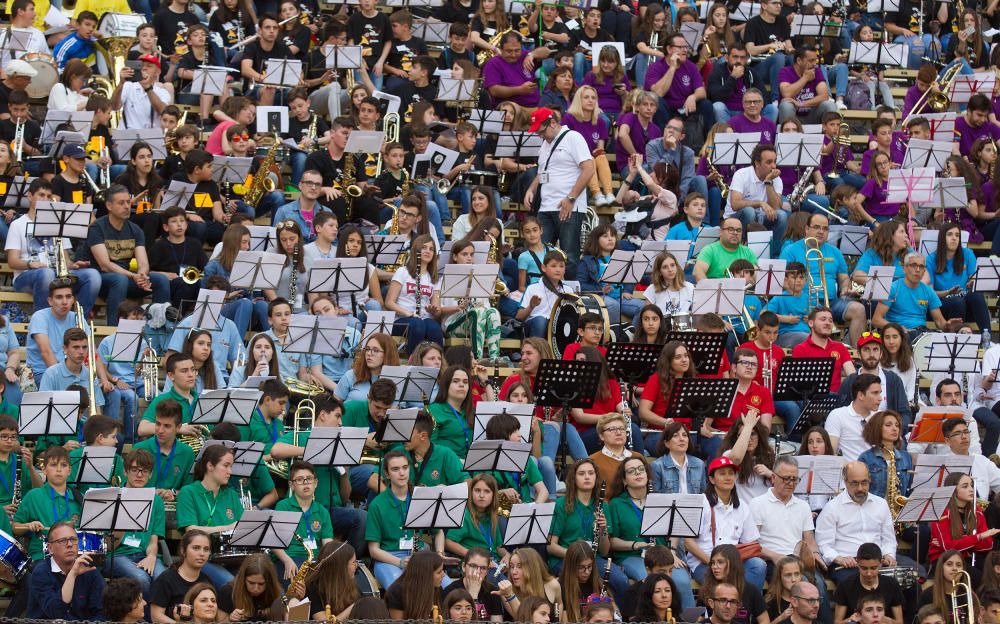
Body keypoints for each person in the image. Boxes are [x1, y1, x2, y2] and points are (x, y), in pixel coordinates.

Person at [5, 178, 101, 315]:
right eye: (41, 195)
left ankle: (79, 323)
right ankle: (43, 324)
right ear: (30, 196)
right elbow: (12, 261)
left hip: (55, 275)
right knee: (46, 274)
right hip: (27, 276)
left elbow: (66, 261)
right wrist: (31, 264)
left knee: (93, 275)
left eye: (49, 196)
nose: (45, 199)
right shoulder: (18, 224)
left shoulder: (59, 222)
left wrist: (73, 266)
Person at [77, 184, 170, 322]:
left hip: (127, 279)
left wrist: (142, 275)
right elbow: (105, 265)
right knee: (118, 280)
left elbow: (143, 262)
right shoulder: (97, 228)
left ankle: (158, 327)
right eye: (121, 203)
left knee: (160, 280)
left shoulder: (135, 229)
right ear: (109, 206)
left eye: (128, 202)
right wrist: (132, 276)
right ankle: (114, 330)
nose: (127, 206)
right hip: (102, 280)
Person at [523, 107, 594, 270]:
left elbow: (589, 168)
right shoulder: (545, 144)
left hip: (568, 206)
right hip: (546, 206)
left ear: (553, 123)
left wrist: (571, 198)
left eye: (541, 132)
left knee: (568, 256)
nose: (540, 136)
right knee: (539, 255)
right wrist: (531, 189)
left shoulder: (573, 138)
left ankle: (567, 293)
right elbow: (543, 172)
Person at [816, 463, 899, 584]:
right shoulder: (832, 507)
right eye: (854, 483)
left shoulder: (881, 504)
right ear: (845, 482)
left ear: (870, 480)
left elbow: (889, 540)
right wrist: (839, 559)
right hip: (847, 565)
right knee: (855, 585)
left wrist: (889, 555)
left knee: (909, 585)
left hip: (877, 563)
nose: (860, 488)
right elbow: (824, 544)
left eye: (864, 482)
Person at [174, 444, 242, 589]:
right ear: (210, 466)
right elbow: (191, 530)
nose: (230, 471)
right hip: (203, 558)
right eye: (226, 465)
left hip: (232, 557)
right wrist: (228, 528)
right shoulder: (189, 492)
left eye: (231, 466)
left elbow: (242, 528)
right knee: (232, 586)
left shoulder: (231, 494)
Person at [110, 448, 168, 596]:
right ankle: (145, 618)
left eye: (145, 471)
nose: (140, 475)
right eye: (134, 469)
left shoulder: (156, 501)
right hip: (118, 555)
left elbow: (153, 540)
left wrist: (151, 557)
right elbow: (111, 546)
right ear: (125, 471)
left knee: (164, 578)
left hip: (144, 553)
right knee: (141, 579)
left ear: (150, 474)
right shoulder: (112, 497)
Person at [25, 521, 106, 620]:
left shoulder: (89, 570)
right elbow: (55, 612)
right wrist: (72, 575)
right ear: (50, 548)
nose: (69, 544)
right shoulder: (41, 572)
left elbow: (101, 611)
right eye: (62, 541)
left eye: (73, 539)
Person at [273, 461, 334, 580]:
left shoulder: (322, 511)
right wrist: (287, 560)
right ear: (291, 485)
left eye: (309, 479)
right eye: (300, 480)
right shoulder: (283, 507)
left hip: (315, 561)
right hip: (290, 558)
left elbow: (328, 545)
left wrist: (325, 564)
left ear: (315, 483)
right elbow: (274, 542)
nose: (305, 483)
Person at [872, 252, 955, 336]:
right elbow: (876, 320)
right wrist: (897, 327)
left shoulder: (928, 291)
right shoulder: (892, 288)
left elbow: (939, 322)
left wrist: (947, 325)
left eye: (921, 266)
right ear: (904, 268)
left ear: (924, 271)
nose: (918, 270)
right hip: (898, 334)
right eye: (914, 265)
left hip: (921, 333)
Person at [837, 333, 912, 425]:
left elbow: (905, 413)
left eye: (875, 349)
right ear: (859, 354)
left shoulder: (893, 380)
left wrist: (896, 429)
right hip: (856, 434)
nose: (871, 354)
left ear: (881, 354)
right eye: (866, 349)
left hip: (887, 435)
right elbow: (841, 413)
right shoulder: (849, 382)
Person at [726, 144, 788, 255]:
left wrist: (769, 182)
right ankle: (744, 251)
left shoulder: (776, 179)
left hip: (762, 217)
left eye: (775, 161)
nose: (774, 166)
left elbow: (776, 207)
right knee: (750, 212)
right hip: (736, 217)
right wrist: (759, 203)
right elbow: (734, 204)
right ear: (757, 163)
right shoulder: (741, 174)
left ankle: (772, 254)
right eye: (769, 162)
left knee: (782, 216)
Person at [928, 472, 997, 569]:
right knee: (977, 578)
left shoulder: (976, 510)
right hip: (944, 560)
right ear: (953, 490)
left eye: (971, 486)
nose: (971, 490)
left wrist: (962, 542)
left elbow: (988, 544)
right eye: (965, 487)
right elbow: (949, 548)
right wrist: (979, 537)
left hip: (967, 558)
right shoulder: (942, 512)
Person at [830, 543, 905, 624]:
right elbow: (837, 622)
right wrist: (850, 620)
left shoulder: (891, 584)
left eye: (873, 568)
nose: (869, 573)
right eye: (864, 568)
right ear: (857, 563)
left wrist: (886, 620)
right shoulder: (846, 585)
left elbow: (900, 622)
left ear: (881, 563)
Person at [939, 418, 1000, 502]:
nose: (964, 437)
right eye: (957, 433)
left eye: (966, 432)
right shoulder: (941, 465)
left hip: (982, 512)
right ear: (947, 441)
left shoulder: (981, 460)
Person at [441, 548, 507, 621]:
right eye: (473, 566)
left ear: (487, 571)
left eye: (483, 568)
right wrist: (473, 595)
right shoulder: (450, 591)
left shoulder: (493, 591)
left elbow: (497, 621)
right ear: (463, 567)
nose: (478, 571)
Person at [777, 45, 838, 123]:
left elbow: (824, 96)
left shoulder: (816, 71)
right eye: (811, 60)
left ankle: (828, 135)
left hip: (812, 115)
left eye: (815, 60)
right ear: (799, 61)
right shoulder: (785, 71)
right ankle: (788, 134)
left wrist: (801, 104)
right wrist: (805, 78)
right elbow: (787, 94)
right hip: (793, 117)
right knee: (786, 105)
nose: (814, 64)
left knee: (830, 105)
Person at [113, 55, 173, 129]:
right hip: (126, 135)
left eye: (149, 66)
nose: (144, 68)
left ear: (158, 72)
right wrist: (120, 84)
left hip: (150, 137)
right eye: (141, 65)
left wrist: (148, 88)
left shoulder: (162, 92)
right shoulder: (128, 86)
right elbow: (114, 107)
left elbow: (163, 112)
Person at [217, 554, 283, 621]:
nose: (256, 589)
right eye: (251, 583)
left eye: (261, 584)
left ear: (269, 582)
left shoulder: (276, 592)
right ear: (243, 579)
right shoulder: (227, 592)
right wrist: (230, 618)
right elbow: (220, 621)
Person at [693, 217, 757, 281]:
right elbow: (698, 272)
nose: (735, 233)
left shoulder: (748, 251)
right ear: (721, 232)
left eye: (739, 230)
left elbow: (756, 275)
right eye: (731, 229)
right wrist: (710, 288)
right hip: (716, 288)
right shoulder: (710, 250)